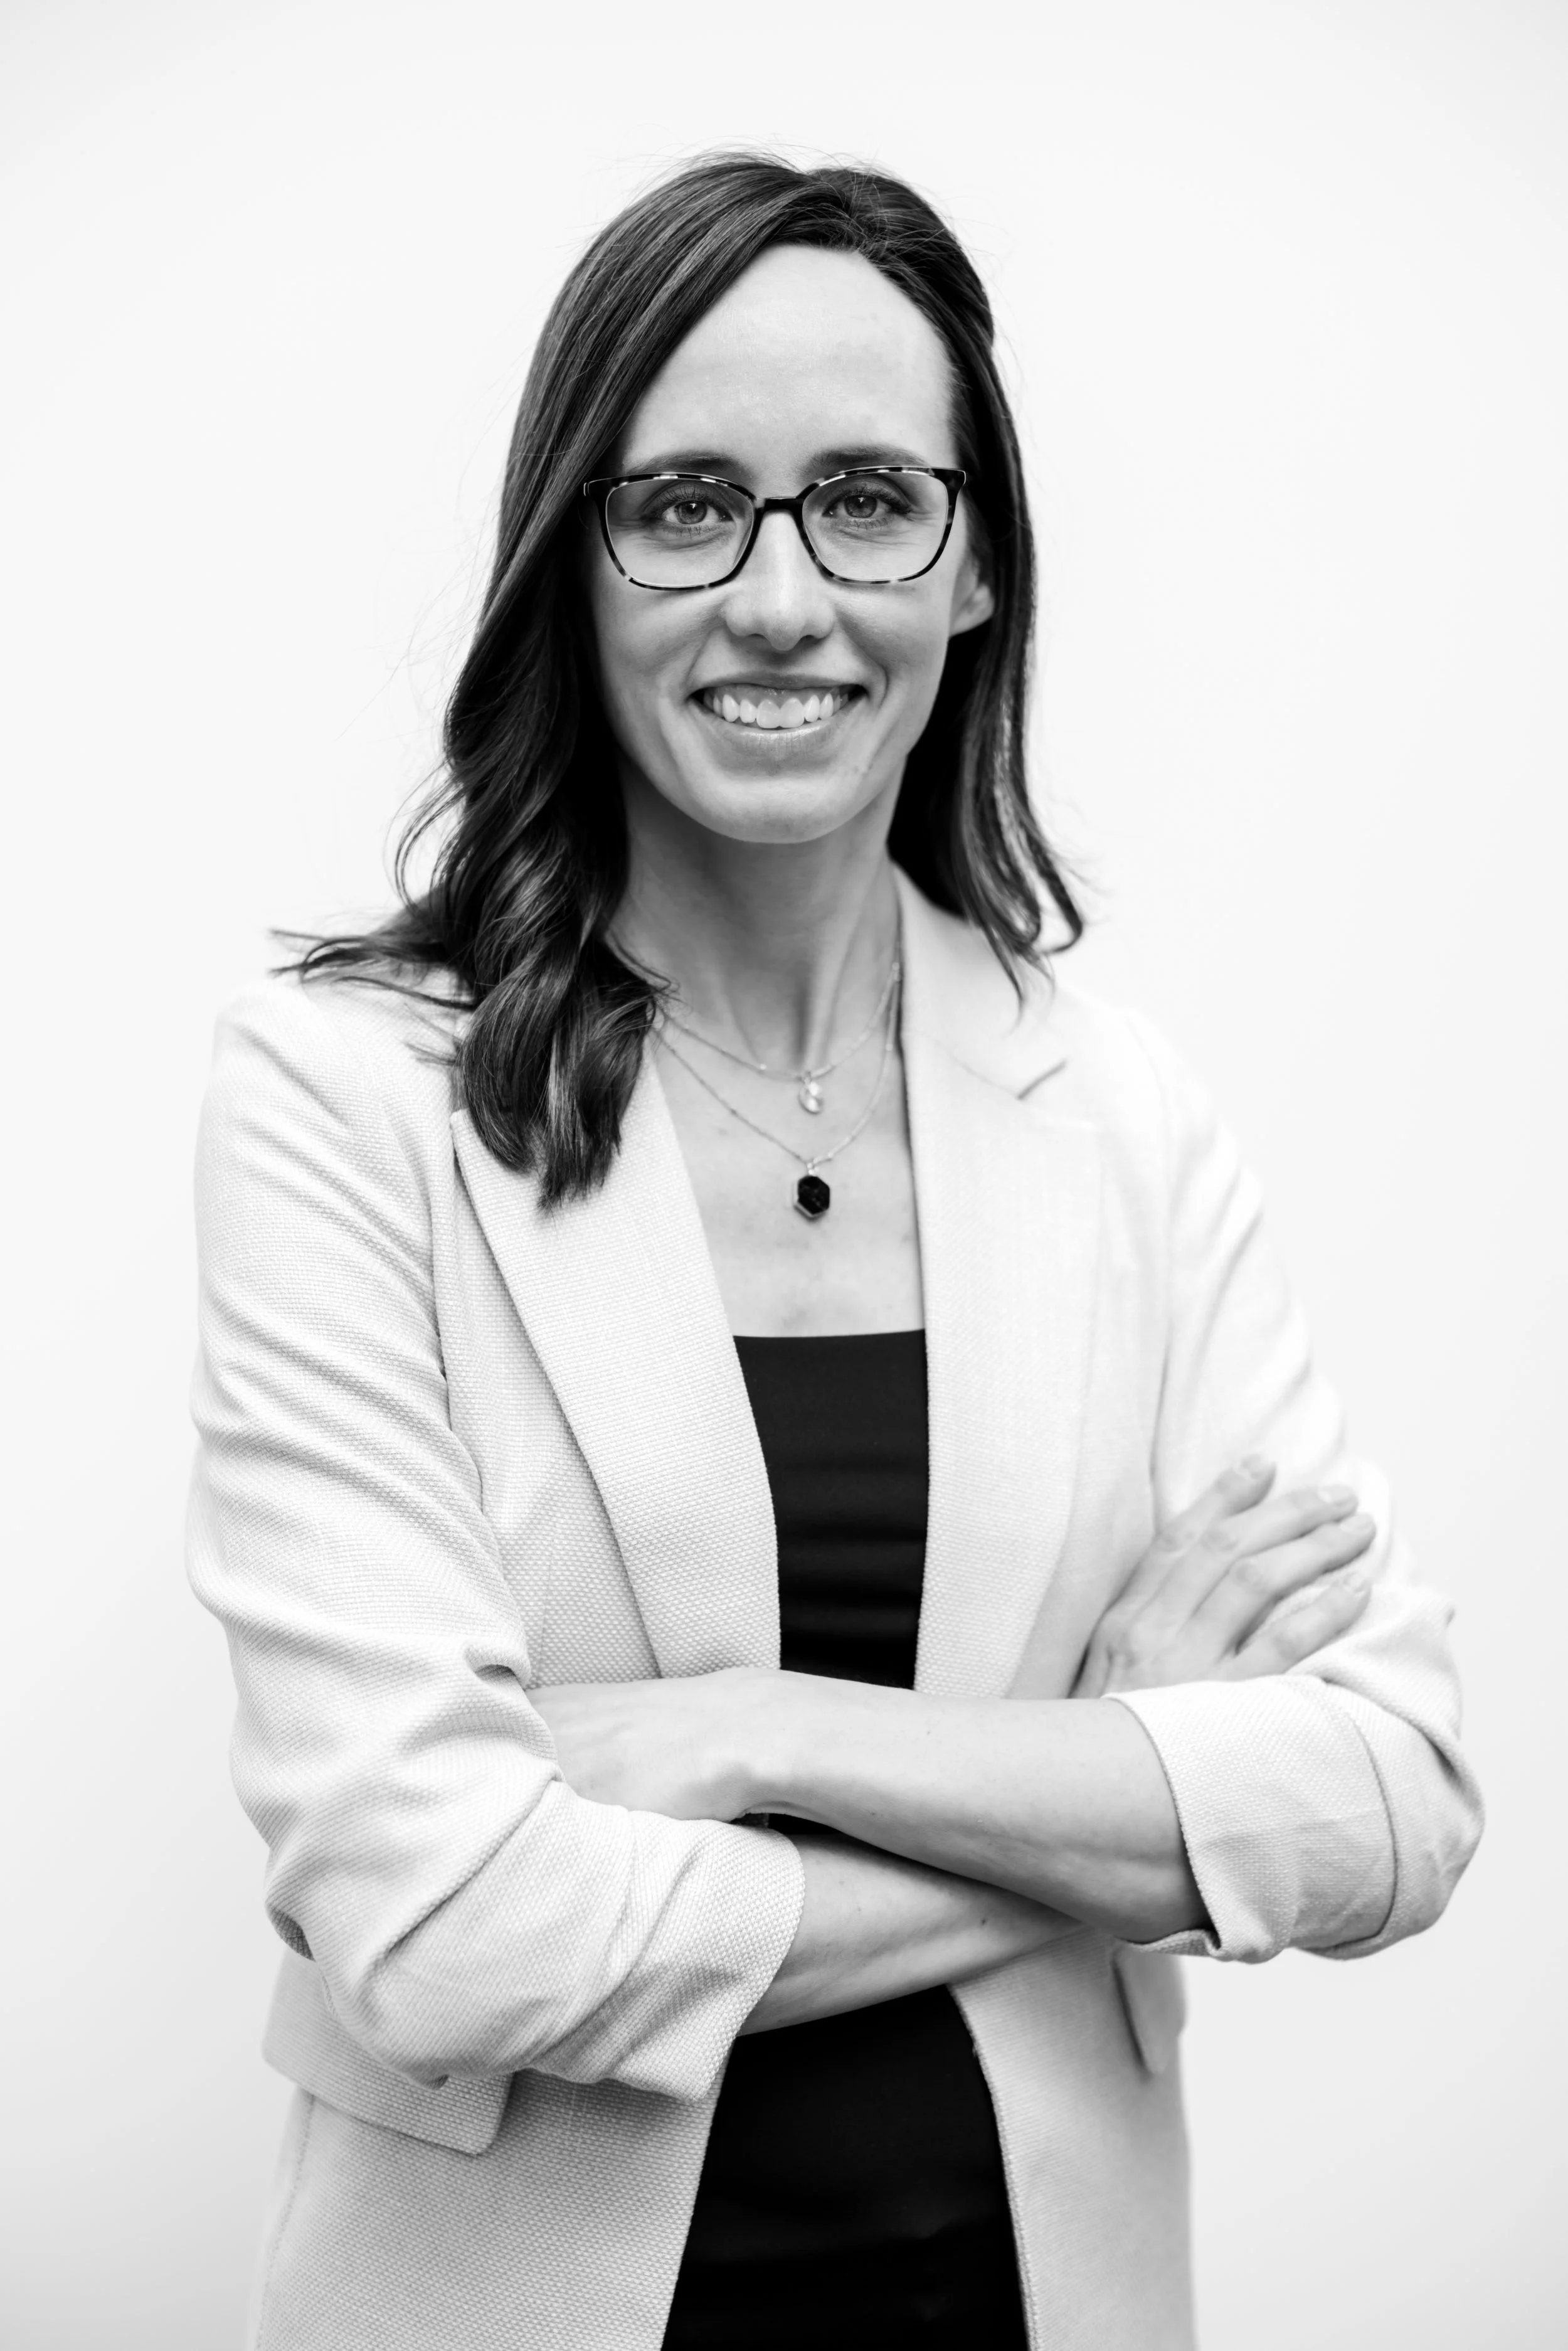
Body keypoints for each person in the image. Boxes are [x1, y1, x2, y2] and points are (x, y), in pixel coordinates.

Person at [187, 153, 1481, 2351]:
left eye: (868, 496)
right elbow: (437, 1924)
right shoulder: (342, 1103)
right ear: (570, 567)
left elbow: (1386, 1796)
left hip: (1037, 2297)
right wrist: (1099, 1769)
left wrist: (748, 1729)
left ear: (973, 566)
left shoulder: (1121, 1113)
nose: (780, 596)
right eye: (685, 500)